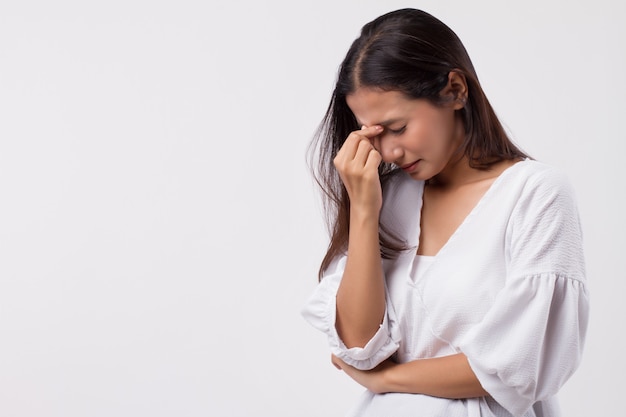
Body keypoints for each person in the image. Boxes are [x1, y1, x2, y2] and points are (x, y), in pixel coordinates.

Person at [301, 8, 589, 417]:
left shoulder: (534, 194)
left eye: (398, 128)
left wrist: (386, 379)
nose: (388, 152)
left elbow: (521, 366)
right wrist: (364, 210)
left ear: (455, 90)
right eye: (373, 135)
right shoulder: (387, 199)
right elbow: (359, 347)